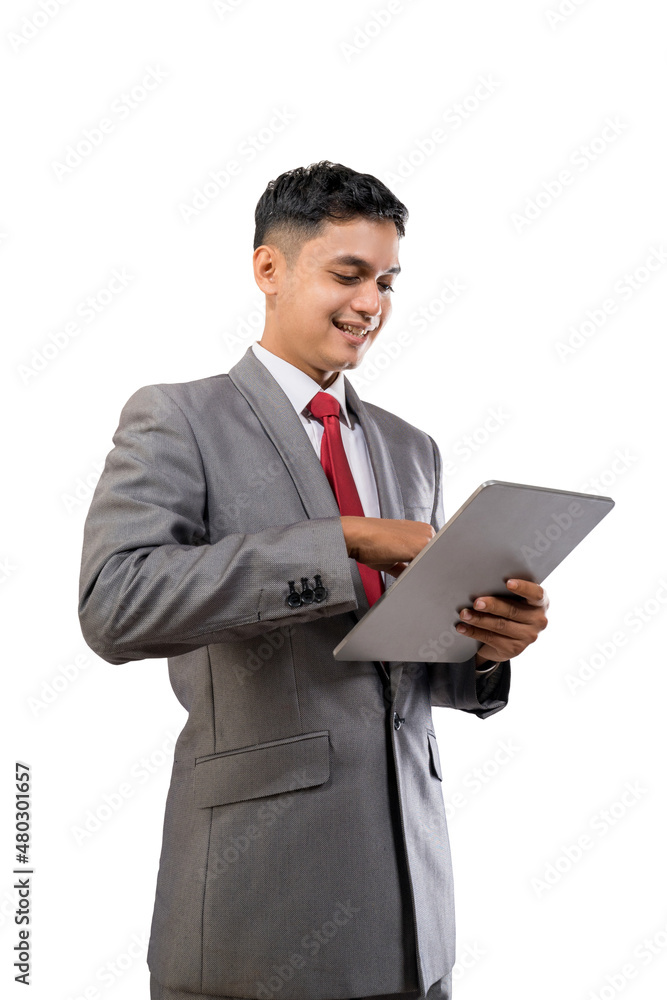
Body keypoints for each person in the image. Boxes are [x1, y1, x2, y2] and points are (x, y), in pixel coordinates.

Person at [78, 160, 549, 1000]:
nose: (372, 302)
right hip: (258, 904)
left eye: (387, 280)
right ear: (268, 269)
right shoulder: (177, 418)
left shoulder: (410, 447)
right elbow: (116, 606)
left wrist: (485, 644)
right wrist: (341, 542)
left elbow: (402, 668)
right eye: (347, 274)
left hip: (415, 910)